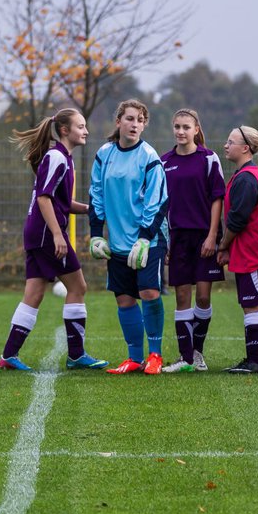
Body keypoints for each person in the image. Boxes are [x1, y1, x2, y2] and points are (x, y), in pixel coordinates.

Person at [0, 108, 108, 370]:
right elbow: (44, 198)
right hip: (47, 233)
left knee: (34, 294)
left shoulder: (62, 158)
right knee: (78, 287)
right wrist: (58, 234)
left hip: (37, 232)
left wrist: (89, 208)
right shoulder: (57, 157)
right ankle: (77, 355)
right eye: (81, 126)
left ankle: (8, 356)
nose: (86, 131)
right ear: (65, 130)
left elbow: (60, 201)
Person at [88, 99, 170, 375]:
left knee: (148, 292)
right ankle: (134, 358)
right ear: (118, 121)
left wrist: (145, 238)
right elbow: (96, 195)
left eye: (140, 120)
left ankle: (155, 356)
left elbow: (158, 201)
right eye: (130, 118)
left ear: (144, 125)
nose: (135, 124)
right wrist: (97, 235)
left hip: (149, 239)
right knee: (124, 298)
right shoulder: (104, 154)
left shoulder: (149, 157)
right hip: (119, 242)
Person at [160, 109, 225, 373]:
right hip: (177, 237)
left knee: (204, 296)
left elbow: (217, 199)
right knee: (182, 295)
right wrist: (165, 241)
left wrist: (212, 236)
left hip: (204, 236)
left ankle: (198, 353)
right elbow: (161, 205)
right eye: (177, 126)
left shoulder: (209, 158)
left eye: (186, 127)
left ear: (196, 129)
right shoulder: (164, 162)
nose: (181, 131)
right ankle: (185, 357)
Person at [216, 126, 258, 373]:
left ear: (246, 148)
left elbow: (237, 220)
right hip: (248, 251)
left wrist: (222, 245)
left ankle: (255, 362)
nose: (225, 146)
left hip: (254, 252)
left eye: (230, 142)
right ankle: (253, 360)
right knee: (249, 305)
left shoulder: (247, 179)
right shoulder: (243, 175)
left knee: (252, 306)